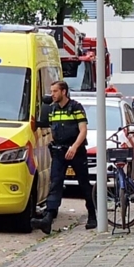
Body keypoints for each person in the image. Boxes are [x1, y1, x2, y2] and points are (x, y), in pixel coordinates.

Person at [31, 80, 97, 234]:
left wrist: (74, 147)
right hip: (59, 151)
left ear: (64, 92)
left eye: (55, 91)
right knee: (55, 184)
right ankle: (48, 219)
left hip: (76, 151)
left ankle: (93, 216)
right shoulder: (52, 109)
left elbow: (83, 130)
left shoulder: (75, 107)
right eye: (51, 91)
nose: (52, 94)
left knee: (84, 184)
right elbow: (49, 128)